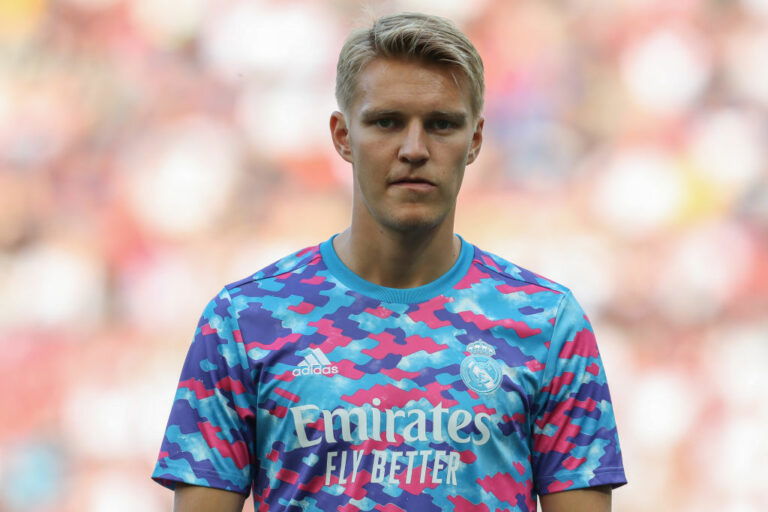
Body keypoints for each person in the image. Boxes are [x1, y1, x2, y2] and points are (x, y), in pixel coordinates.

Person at [151, 12, 627, 512]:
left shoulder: (546, 324)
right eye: (386, 122)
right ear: (342, 135)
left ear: (475, 140)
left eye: (441, 124)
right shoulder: (245, 320)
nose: (414, 149)